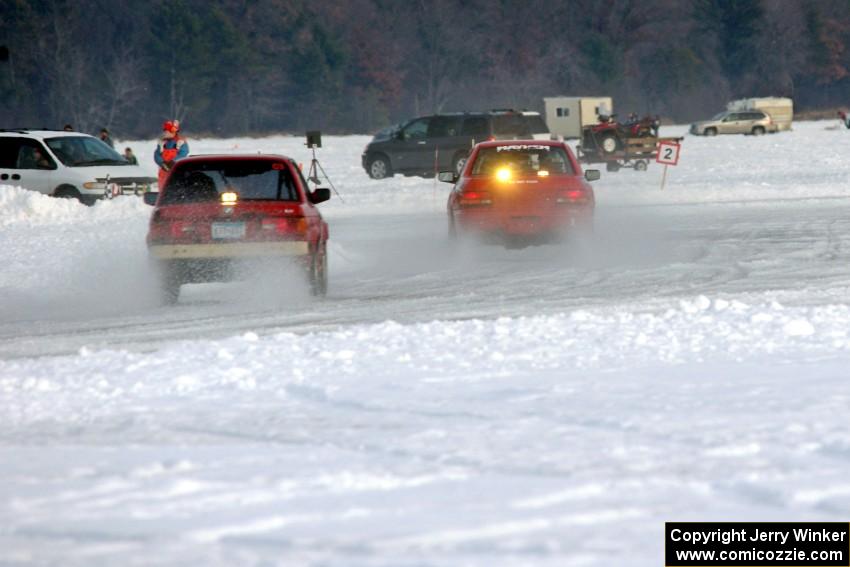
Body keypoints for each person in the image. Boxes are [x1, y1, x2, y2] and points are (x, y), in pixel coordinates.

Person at [154, 120, 189, 186]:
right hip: (163, 171)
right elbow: (157, 154)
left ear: (173, 132)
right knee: (163, 186)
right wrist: (162, 163)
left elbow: (183, 153)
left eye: (167, 131)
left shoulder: (180, 142)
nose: (165, 133)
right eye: (165, 131)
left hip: (176, 170)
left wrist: (173, 162)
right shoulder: (162, 143)